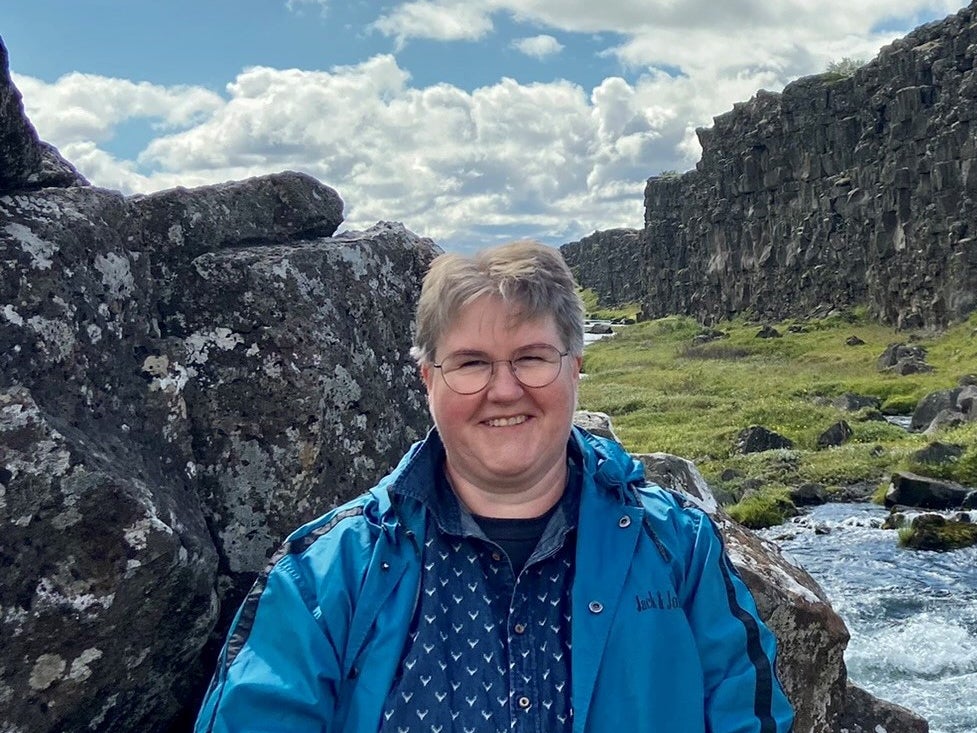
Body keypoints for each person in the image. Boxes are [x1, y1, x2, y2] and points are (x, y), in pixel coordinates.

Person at [194, 239, 795, 732]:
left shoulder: (680, 548)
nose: (504, 390)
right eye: (472, 363)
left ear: (575, 367)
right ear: (428, 378)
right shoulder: (325, 577)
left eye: (532, 358)